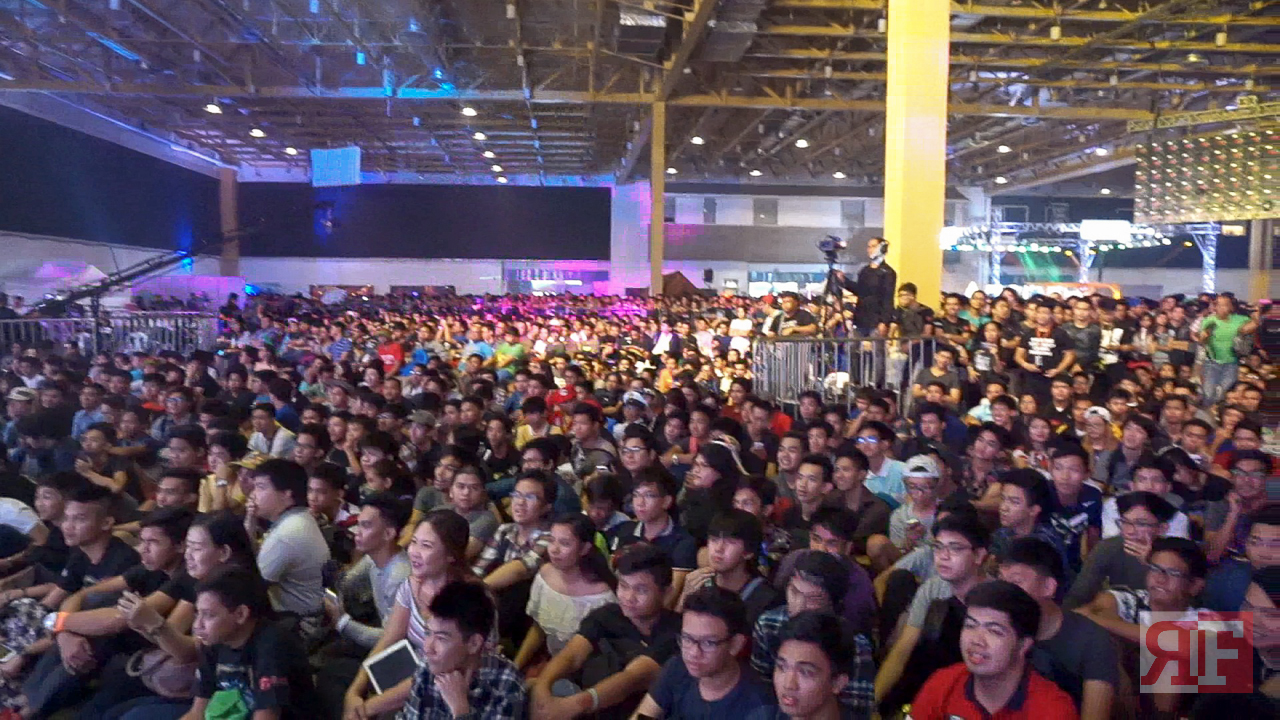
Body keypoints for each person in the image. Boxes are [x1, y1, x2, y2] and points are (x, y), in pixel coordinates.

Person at [342, 510, 476, 720]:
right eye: (414, 542)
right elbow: (389, 638)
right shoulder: (411, 584)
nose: (414, 552)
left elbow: (438, 672)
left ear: (451, 555)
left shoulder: (470, 600)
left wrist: (367, 708)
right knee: (339, 678)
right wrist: (355, 691)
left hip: (444, 689)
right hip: (408, 669)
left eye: (426, 546)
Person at [529, 544, 682, 720]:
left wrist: (574, 706)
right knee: (531, 691)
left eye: (641, 590)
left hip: (631, 711)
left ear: (666, 593)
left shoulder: (677, 632)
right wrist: (542, 687)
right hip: (584, 699)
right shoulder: (607, 614)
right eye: (624, 586)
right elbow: (572, 655)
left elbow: (632, 678)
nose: (629, 597)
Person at [908, 581, 1078, 719]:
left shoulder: (1053, 710)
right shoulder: (943, 684)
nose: (976, 640)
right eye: (970, 625)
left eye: (994, 631)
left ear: (1023, 645)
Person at [874, 512, 991, 708]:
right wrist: (874, 702)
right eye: (938, 547)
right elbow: (903, 649)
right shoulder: (932, 588)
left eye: (955, 548)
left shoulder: (996, 599)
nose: (943, 556)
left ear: (979, 555)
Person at [997, 537, 1118, 720]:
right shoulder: (996, 631)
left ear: (1048, 587)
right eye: (1000, 582)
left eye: (1015, 583)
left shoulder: (1092, 640)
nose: (1003, 593)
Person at [187, 566, 320, 720]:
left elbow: (267, 716)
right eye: (197, 613)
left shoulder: (272, 645)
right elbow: (197, 713)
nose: (197, 625)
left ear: (240, 614)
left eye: (208, 615)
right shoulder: (213, 641)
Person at [752, 551, 875, 716]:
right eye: (794, 592)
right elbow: (760, 687)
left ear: (833, 604)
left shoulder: (854, 644)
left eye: (813, 599)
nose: (799, 605)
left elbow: (859, 707)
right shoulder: (769, 624)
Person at [631, 585, 772, 718]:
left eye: (708, 643)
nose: (693, 653)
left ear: (735, 644)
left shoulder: (759, 707)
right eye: (687, 638)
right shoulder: (677, 668)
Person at [399, 580, 526, 720]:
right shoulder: (427, 668)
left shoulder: (506, 683)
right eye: (428, 633)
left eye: (441, 638)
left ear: (474, 644)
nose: (428, 648)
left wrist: (460, 709)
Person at [245, 458, 329, 647]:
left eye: (260, 487)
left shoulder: (287, 533)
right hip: (303, 617)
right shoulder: (298, 517)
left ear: (286, 494)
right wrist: (250, 520)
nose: (253, 494)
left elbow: (252, 585)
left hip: (299, 627)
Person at [518, 513, 617, 670]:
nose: (554, 550)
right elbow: (539, 628)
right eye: (551, 540)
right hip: (550, 661)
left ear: (584, 548)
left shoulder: (602, 597)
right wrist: (517, 665)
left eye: (564, 543)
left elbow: (600, 655)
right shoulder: (545, 574)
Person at [1064, 491, 1178, 610]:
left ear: (1162, 528)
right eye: (1124, 522)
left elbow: (1179, 604)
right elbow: (1079, 595)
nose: (1129, 531)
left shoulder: (1178, 554)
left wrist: (1152, 564)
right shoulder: (1109, 547)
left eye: (1141, 524)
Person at [676, 510, 781, 626]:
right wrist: (684, 596)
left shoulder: (765, 598)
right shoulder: (700, 585)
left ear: (748, 552)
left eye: (730, 542)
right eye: (714, 540)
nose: (718, 549)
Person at [611, 468, 699, 605]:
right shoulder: (624, 531)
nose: (640, 503)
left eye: (649, 496)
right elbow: (613, 577)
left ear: (666, 501)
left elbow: (670, 596)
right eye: (636, 495)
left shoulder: (683, 541)